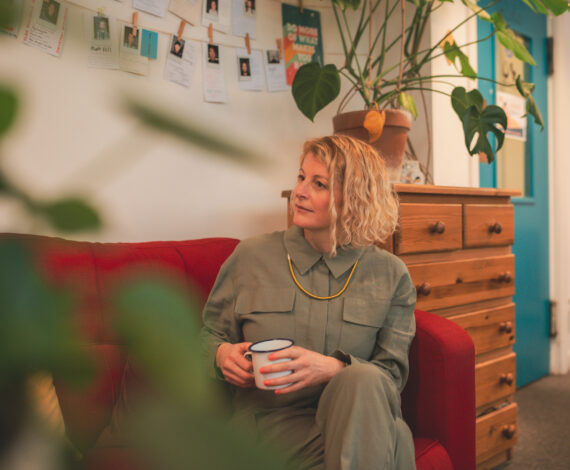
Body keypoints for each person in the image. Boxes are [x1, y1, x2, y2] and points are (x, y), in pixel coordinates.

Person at [201, 135, 417, 470]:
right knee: (397, 439)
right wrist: (220, 355)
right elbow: (205, 337)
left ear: (356, 198)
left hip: (357, 417)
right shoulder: (251, 257)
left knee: (364, 380)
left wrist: (333, 369)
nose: (299, 192)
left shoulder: (391, 275)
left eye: (319, 184)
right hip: (269, 426)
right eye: (301, 177)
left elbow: (390, 379)